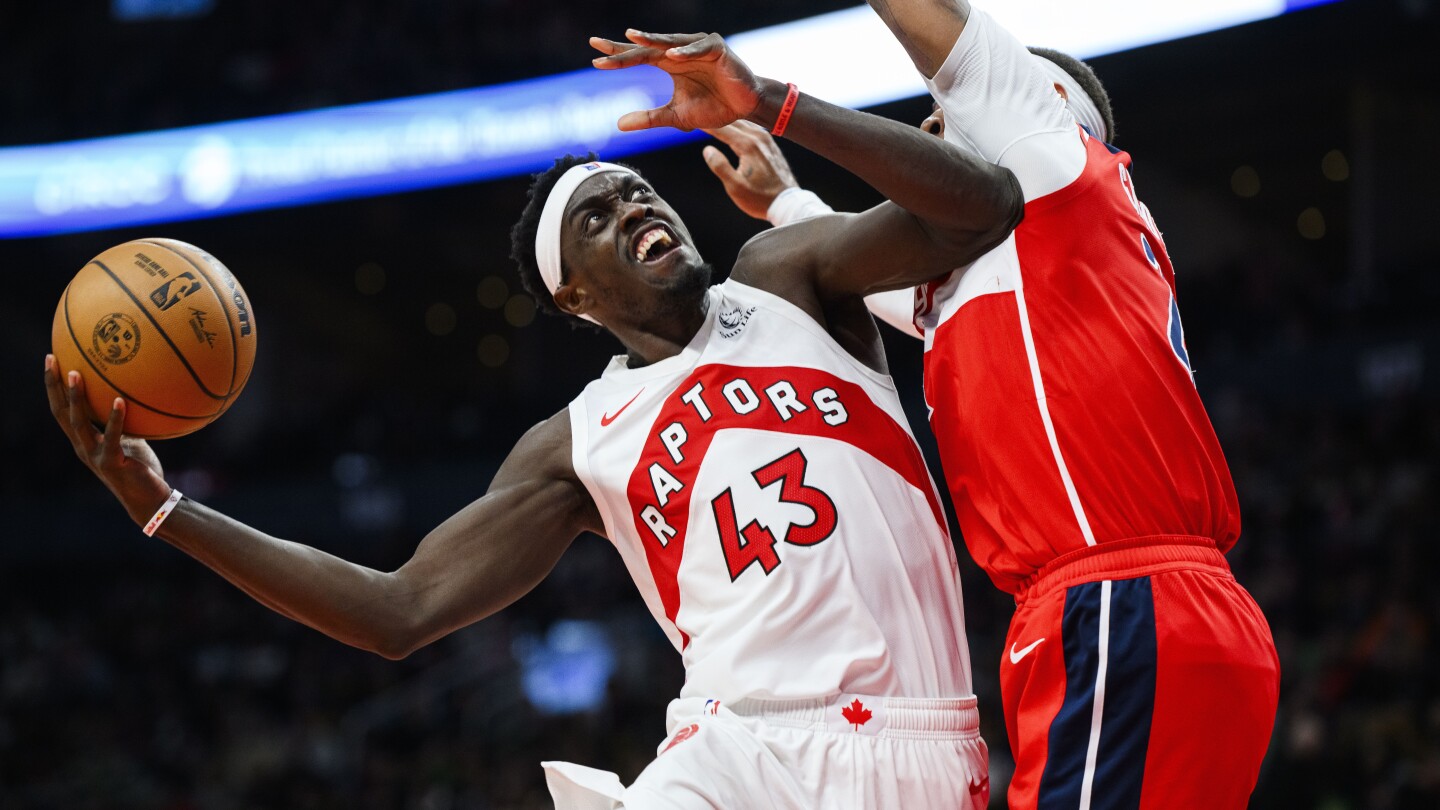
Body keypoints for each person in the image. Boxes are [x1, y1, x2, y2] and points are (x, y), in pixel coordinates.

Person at [45, 27, 1024, 810]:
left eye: (638, 192)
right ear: (573, 296)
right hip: (732, 751)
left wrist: (773, 102)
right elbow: (400, 611)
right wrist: (167, 510)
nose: (637, 208)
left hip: (914, 747)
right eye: (596, 216)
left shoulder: (789, 278)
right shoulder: (576, 441)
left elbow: (980, 209)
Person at [701, 4, 1281, 807]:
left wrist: (768, 98)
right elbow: (887, 284)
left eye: (943, 122)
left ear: (1037, 106)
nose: (929, 132)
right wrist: (786, 203)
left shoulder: (1054, 165)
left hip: (1117, 598)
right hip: (1147, 610)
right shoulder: (1021, 259)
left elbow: (954, 47)